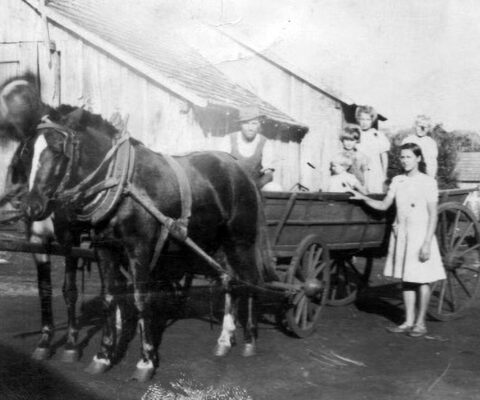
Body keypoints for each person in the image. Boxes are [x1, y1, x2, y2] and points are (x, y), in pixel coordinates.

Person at [349, 143, 445, 337]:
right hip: (402, 234)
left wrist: (427, 243)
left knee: (422, 279)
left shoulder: (428, 182)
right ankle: (407, 321)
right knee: (407, 279)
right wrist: (362, 197)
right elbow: (384, 205)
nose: (405, 161)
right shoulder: (398, 180)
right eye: (402, 157)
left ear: (418, 159)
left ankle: (420, 323)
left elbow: (433, 214)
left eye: (409, 157)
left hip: (420, 234)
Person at [219, 105, 281, 190]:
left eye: (254, 123)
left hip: (256, 185)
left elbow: (269, 174)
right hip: (233, 185)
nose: (250, 128)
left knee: (274, 188)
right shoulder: (229, 139)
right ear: (240, 125)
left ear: (259, 125)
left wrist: (254, 187)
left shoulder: (265, 143)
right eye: (246, 123)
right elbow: (221, 167)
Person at [355, 105, 390, 193]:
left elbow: (384, 156)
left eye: (368, 120)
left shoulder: (378, 135)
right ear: (358, 119)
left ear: (372, 120)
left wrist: (384, 173)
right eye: (362, 119)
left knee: (375, 195)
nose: (364, 122)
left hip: (375, 171)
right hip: (359, 171)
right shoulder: (355, 134)